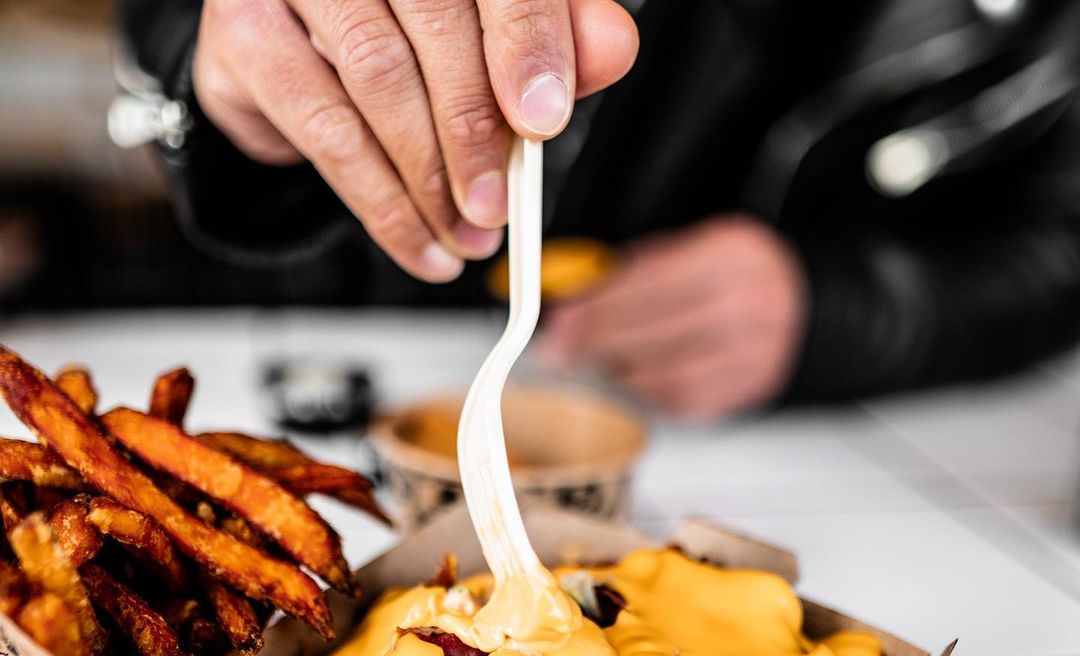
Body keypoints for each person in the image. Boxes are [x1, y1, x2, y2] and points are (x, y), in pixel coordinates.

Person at [120, 0, 1080, 420]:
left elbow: (1059, 248)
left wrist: (840, 310)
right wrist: (212, 44)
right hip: (291, 325)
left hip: (740, 443)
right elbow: (170, 22)